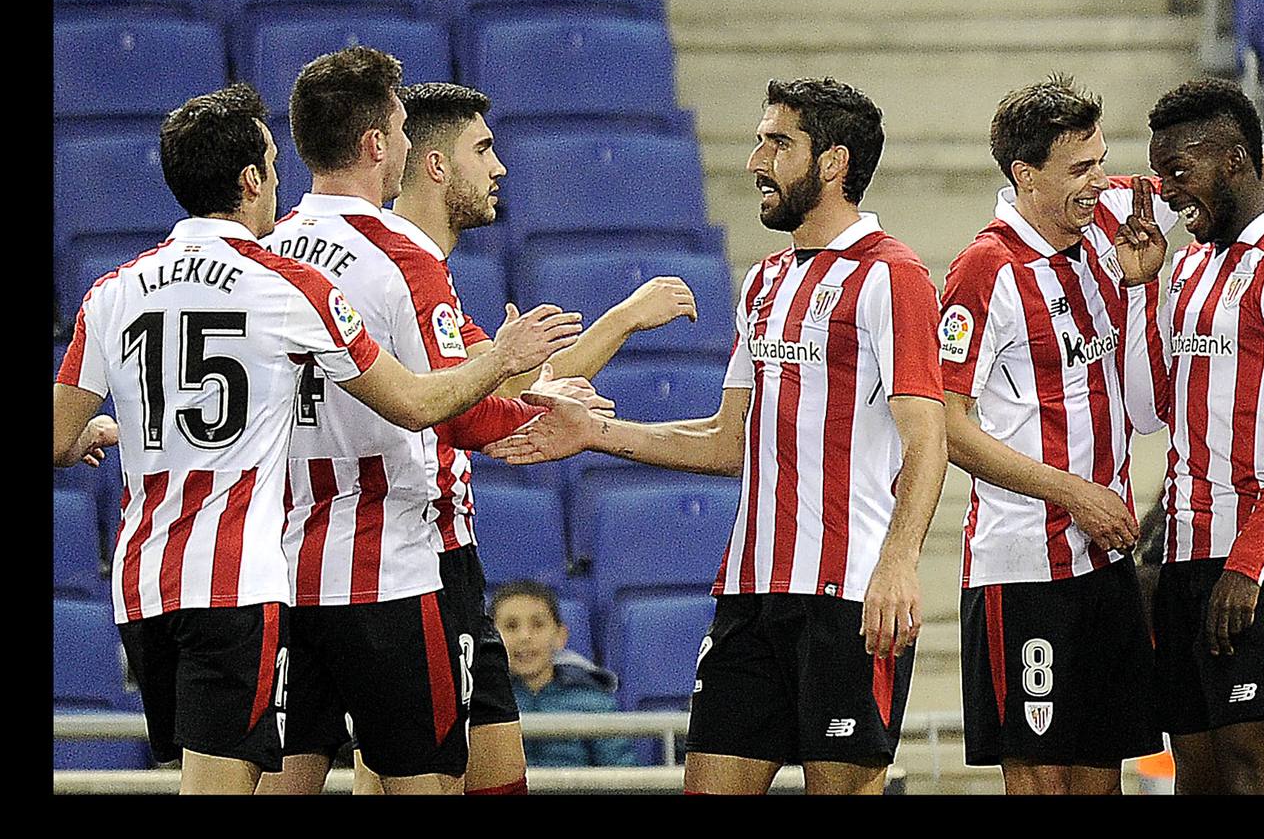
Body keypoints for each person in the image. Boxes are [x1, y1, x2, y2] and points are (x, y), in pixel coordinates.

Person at [51, 83, 571, 794]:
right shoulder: (289, 285)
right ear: (251, 180)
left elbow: (58, 438)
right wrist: (503, 361)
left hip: (145, 588)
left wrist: (102, 430)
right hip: (255, 581)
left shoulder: (113, 289)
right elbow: (420, 405)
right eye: (269, 162)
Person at [941, 74, 1264, 794]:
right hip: (1037, 560)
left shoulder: (1132, 226)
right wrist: (1075, 490)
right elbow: (946, 425)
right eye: (1081, 169)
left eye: (1102, 162)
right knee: (1114, 774)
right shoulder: (990, 268)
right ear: (1025, 176)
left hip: (1143, 560)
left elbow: (1226, 168)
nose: (1104, 183)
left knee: (1173, 772)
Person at [486, 78, 949, 795]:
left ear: (833, 163)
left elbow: (928, 436)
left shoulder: (894, 277)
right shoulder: (764, 282)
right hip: (749, 594)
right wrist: (593, 432)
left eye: (778, 142)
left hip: (847, 596)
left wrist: (899, 562)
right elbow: (729, 440)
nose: (755, 159)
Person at [250, 48, 588, 796]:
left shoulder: (266, 252)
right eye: (400, 129)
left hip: (282, 562)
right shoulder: (400, 255)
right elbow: (451, 413)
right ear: (379, 143)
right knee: (426, 778)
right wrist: (520, 384)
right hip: (394, 568)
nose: (404, 146)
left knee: (289, 774)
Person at [347, 80, 693, 795]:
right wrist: (547, 409)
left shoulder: (422, 273)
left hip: (425, 562)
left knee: (444, 771)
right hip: (411, 560)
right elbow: (484, 411)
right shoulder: (397, 268)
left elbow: (503, 390)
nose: (500, 167)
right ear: (437, 166)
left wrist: (620, 322)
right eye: (483, 149)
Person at [1120, 77, 1264, 794]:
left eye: (1181, 173)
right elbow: (1151, 408)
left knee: (1251, 769)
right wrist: (1139, 291)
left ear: (1236, 162)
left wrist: (1247, 564)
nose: (1169, 191)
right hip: (1187, 551)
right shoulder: (1186, 264)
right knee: (1196, 772)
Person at [493, 581, 637, 767]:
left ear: (560, 636)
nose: (524, 637)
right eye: (511, 626)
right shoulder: (481, 702)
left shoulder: (594, 702)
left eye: (537, 625)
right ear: (491, 636)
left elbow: (623, 775)